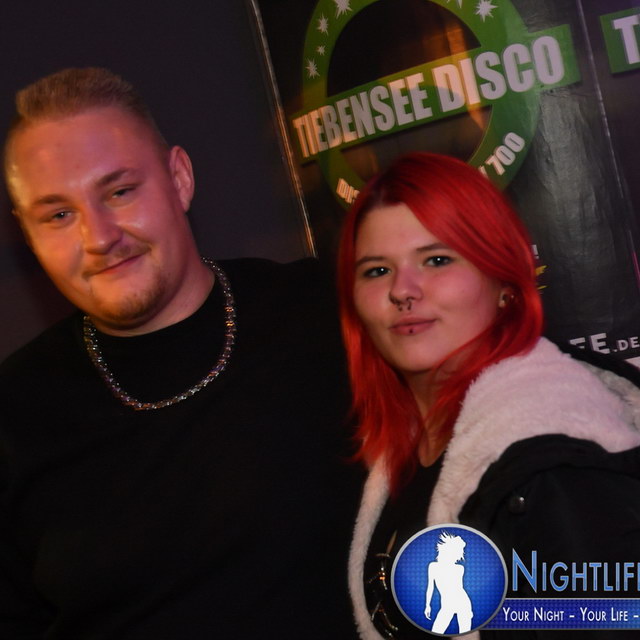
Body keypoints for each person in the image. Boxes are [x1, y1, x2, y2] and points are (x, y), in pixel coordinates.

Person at [0, 67, 361, 639]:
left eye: (119, 192)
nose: (99, 237)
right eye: (59, 215)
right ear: (28, 233)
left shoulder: (330, 314)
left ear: (180, 179)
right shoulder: (13, 412)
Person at [337, 152, 640, 639]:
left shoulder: (552, 462)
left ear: (503, 281)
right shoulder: (406, 445)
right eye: (376, 270)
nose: (403, 291)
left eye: (437, 260)